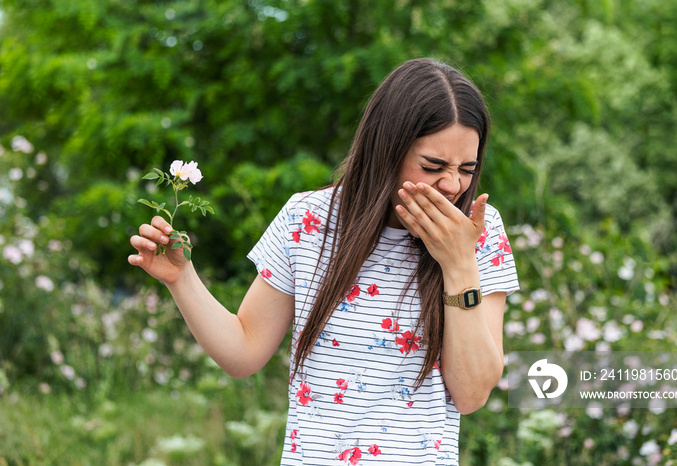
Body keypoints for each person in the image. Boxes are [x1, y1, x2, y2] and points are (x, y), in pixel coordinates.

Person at [128, 58, 519, 465]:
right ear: (386, 150)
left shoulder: (480, 231)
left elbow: (472, 394)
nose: (453, 185)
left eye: (467, 169)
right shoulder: (309, 220)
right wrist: (182, 278)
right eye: (433, 167)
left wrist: (458, 266)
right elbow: (243, 353)